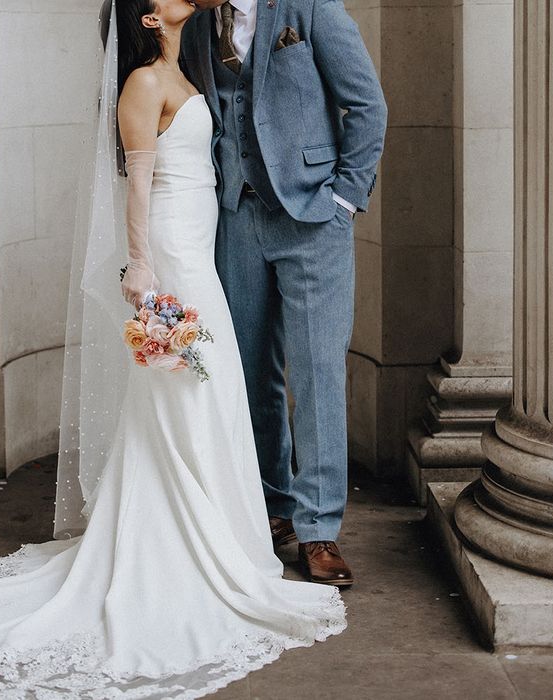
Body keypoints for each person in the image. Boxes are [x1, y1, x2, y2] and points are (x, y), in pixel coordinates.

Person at [0, 1, 346, 698]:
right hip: (174, 250)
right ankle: (182, 542)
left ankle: (225, 530)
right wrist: (141, 268)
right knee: (186, 393)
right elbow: (138, 184)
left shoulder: (187, 64)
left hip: (205, 242)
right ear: (145, 17)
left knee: (212, 390)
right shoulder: (141, 83)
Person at [181, 0, 388, 585]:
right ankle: (272, 508)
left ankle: (319, 529)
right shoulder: (197, 21)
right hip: (234, 217)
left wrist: (344, 198)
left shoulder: (311, 7)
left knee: (318, 371)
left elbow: (368, 105)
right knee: (248, 370)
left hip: (313, 219)